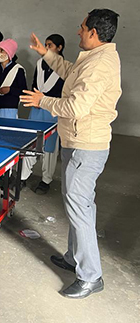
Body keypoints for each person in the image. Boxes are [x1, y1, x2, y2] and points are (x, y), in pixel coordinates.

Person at [21, 9, 121, 299]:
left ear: (94, 33)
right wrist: (46, 54)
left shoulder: (100, 64)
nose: (78, 31)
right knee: (81, 205)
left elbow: (75, 107)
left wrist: (42, 101)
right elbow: (68, 72)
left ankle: (91, 277)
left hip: (86, 145)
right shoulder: (93, 57)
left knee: (79, 209)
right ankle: (73, 257)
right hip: (77, 141)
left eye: (82, 28)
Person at [20, 34, 66, 193]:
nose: (46, 48)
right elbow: (34, 85)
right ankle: (23, 177)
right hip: (36, 109)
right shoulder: (40, 63)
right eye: (45, 45)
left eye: (50, 45)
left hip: (52, 112)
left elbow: (63, 93)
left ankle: (46, 180)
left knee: (50, 148)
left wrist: (45, 100)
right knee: (31, 144)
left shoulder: (64, 68)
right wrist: (36, 99)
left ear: (59, 48)